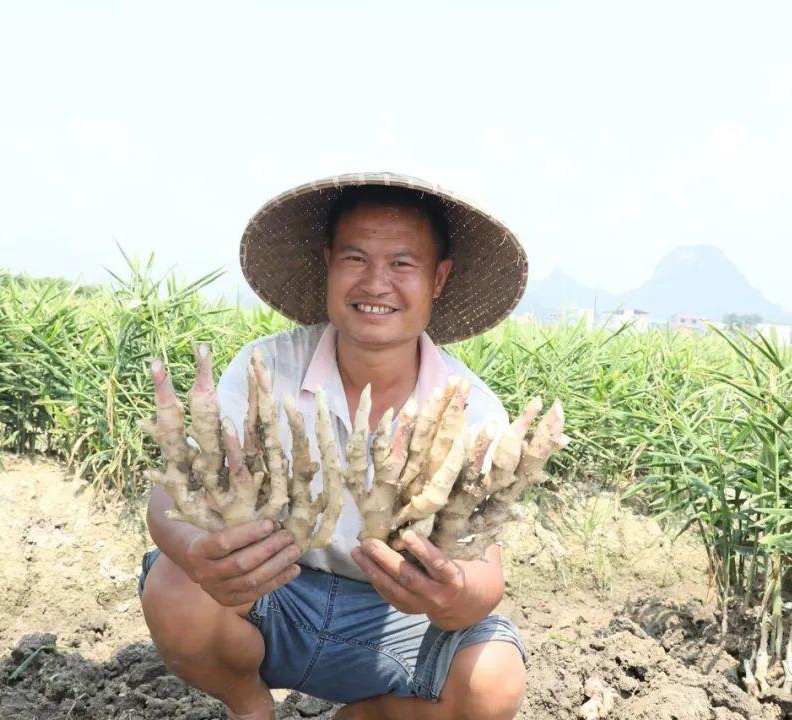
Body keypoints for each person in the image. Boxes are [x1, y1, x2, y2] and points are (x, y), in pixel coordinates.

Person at [138, 172, 530, 720]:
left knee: (494, 678)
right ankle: (248, 705)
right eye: (355, 259)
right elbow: (173, 496)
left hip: (397, 624)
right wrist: (191, 549)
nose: (376, 283)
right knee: (175, 580)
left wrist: (453, 592)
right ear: (328, 262)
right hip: (275, 595)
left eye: (402, 263)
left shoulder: (474, 411)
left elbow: (485, 570)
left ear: (438, 279)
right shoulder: (265, 368)